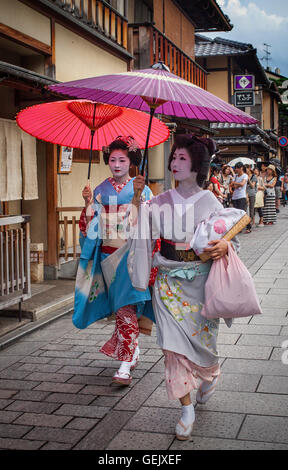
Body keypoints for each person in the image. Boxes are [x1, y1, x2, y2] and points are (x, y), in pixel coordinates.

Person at [128, 134, 241, 441]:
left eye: (181, 158)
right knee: (172, 349)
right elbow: (140, 240)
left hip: (201, 281)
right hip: (167, 283)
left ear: (197, 166)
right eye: (173, 157)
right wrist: (138, 200)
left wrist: (224, 246)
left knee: (204, 346)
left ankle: (209, 374)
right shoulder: (157, 202)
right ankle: (186, 410)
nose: (174, 163)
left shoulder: (210, 201)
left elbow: (229, 234)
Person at [76, 136, 154, 386]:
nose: (117, 164)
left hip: (131, 255)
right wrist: (88, 203)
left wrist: (138, 198)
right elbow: (90, 227)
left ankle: (125, 363)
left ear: (131, 162)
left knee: (125, 307)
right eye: (113, 159)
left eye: (122, 159)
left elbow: (149, 223)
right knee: (123, 309)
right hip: (108, 255)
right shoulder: (99, 190)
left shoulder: (141, 187)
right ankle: (133, 351)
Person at [230, 162, 251, 233]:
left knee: (242, 213)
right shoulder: (235, 176)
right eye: (235, 168)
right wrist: (236, 185)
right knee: (236, 213)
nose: (236, 170)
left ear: (241, 168)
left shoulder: (245, 176)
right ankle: (239, 228)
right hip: (234, 197)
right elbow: (231, 185)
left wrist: (236, 184)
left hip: (242, 196)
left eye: (237, 168)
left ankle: (248, 226)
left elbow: (242, 184)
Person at [246, 166, 257, 230]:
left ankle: (251, 221)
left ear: (249, 168)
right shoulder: (244, 175)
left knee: (251, 208)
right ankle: (247, 222)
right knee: (246, 208)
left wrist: (248, 179)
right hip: (245, 194)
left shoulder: (254, 176)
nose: (246, 170)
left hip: (252, 193)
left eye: (247, 168)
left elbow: (252, 186)